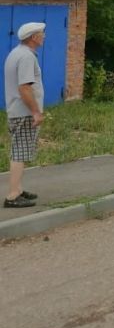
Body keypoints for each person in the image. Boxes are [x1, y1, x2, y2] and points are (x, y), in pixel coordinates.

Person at [3, 22, 45, 208]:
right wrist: (35, 111)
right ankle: (12, 196)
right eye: (42, 34)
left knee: (21, 150)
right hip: (23, 112)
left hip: (17, 111)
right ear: (33, 37)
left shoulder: (17, 53)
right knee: (19, 153)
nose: (44, 36)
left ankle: (18, 189)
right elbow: (24, 87)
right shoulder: (26, 57)